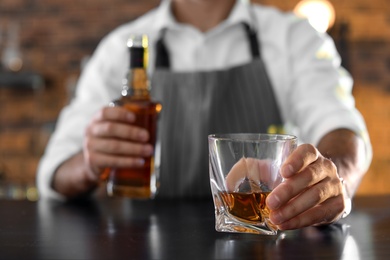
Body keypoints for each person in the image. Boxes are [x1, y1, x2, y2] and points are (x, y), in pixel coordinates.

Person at [37, 0, 372, 230]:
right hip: (138, 243)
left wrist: (332, 173)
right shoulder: (120, 49)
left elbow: (340, 127)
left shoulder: (294, 37)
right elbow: (54, 172)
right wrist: (89, 162)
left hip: (257, 242)